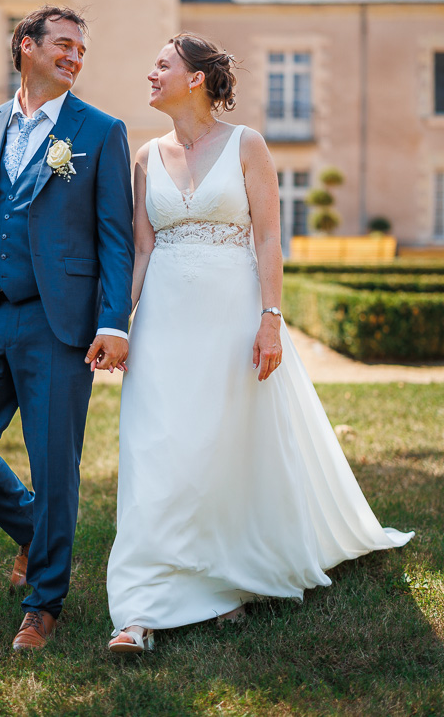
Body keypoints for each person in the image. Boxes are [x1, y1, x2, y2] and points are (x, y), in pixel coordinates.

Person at [106, 32, 413, 655]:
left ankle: (226, 578)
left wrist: (271, 318)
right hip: (163, 321)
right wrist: (117, 323)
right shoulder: (145, 155)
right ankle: (137, 608)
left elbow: (269, 239)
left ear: (195, 78)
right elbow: (142, 248)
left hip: (232, 315)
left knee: (223, 446)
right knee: (154, 449)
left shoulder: (247, 144)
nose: (151, 74)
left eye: (162, 65)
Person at [0, 5, 134, 652]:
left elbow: (116, 239)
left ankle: (44, 604)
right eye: (64, 44)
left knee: (54, 465)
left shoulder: (100, 131)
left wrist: (114, 320)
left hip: (59, 322)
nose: (75, 57)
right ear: (26, 45)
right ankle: (33, 530)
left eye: (82, 50)